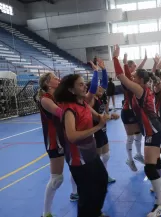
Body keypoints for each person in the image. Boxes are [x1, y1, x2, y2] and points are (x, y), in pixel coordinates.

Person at [113, 45, 161, 217]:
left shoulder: (139, 89)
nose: (133, 77)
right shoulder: (144, 87)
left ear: (140, 80)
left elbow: (122, 76)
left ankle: (160, 204)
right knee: (155, 161)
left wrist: (115, 58)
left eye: (135, 76)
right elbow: (127, 76)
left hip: (152, 130)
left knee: (150, 167)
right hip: (153, 129)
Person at [55, 74, 110, 217]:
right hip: (78, 157)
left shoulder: (83, 103)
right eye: (80, 84)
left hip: (90, 153)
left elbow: (98, 116)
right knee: (86, 194)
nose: (84, 86)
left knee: (102, 181)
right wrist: (98, 126)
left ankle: (96, 212)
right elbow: (72, 136)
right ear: (71, 90)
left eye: (83, 83)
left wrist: (106, 117)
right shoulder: (69, 110)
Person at [37, 72, 79, 217]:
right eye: (55, 78)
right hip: (55, 141)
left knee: (75, 167)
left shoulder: (59, 97)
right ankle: (46, 212)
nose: (58, 79)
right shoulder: (45, 99)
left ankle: (75, 193)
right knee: (56, 179)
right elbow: (61, 113)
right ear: (48, 84)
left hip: (66, 137)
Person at [87, 59, 120, 183]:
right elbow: (98, 117)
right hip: (95, 130)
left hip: (103, 129)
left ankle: (105, 175)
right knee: (98, 157)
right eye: (99, 88)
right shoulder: (90, 100)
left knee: (106, 155)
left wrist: (104, 69)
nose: (102, 89)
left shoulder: (100, 96)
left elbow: (104, 83)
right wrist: (111, 116)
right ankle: (97, 178)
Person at [121, 52, 147, 171]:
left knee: (139, 134)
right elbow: (127, 73)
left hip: (136, 111)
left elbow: (139, 71)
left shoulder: (135, 79)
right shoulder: (127, 80)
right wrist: (125, 63)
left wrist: (145, 59)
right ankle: (130, 159)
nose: (136, 68)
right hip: (128, 111)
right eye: (134, 66)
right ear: (130, 67)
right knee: (130, 137)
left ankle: (138, 154)